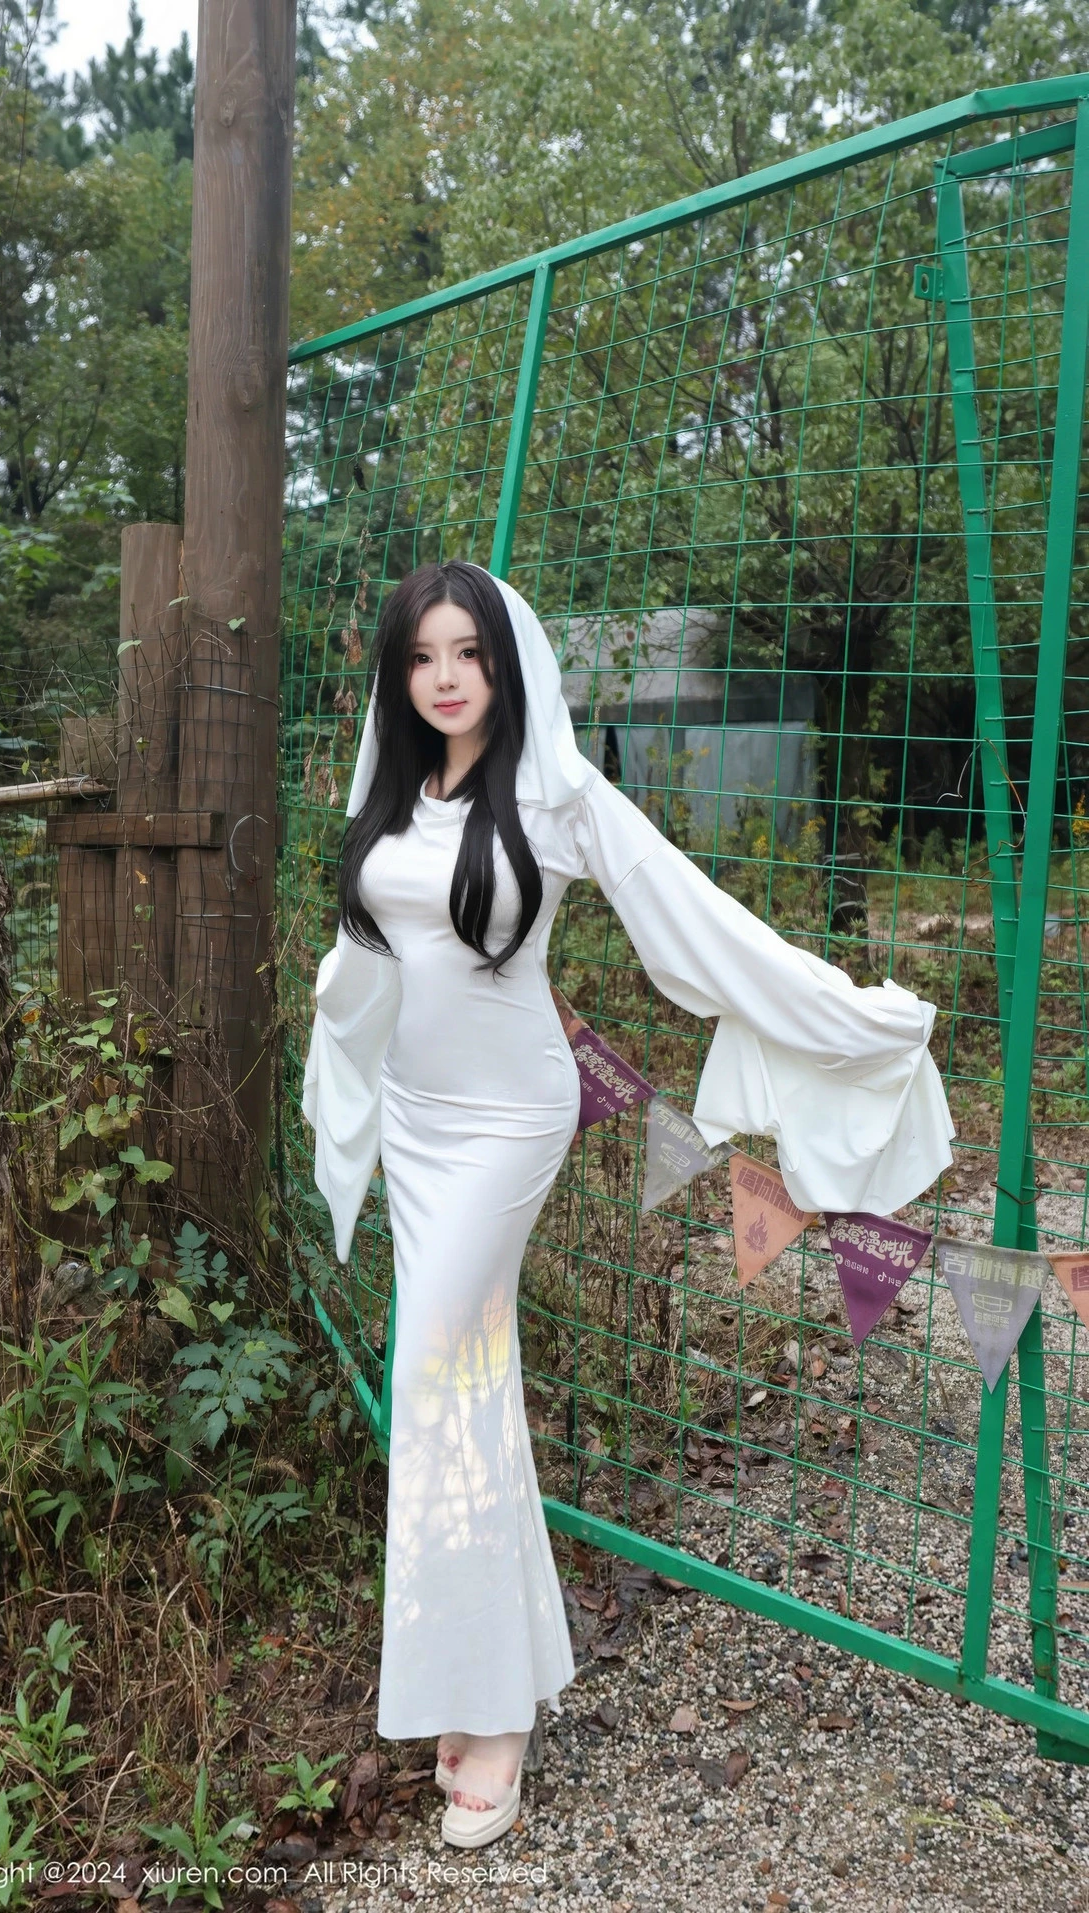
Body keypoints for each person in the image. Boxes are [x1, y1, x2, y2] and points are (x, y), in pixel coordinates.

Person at [301, 560, 955, 1849]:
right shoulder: (392, 795)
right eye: (423, 656)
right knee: (461, 1387)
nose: (445, 678)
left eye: (469, 653)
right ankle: (490, 1675)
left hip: (508, 1125)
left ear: (508, 665)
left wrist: (842, 1016)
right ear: (398, 673)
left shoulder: (555, 796)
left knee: (436, 1377)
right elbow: (368, 956)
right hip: (420, 1124)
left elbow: (694, 922)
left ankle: (491, 1705)